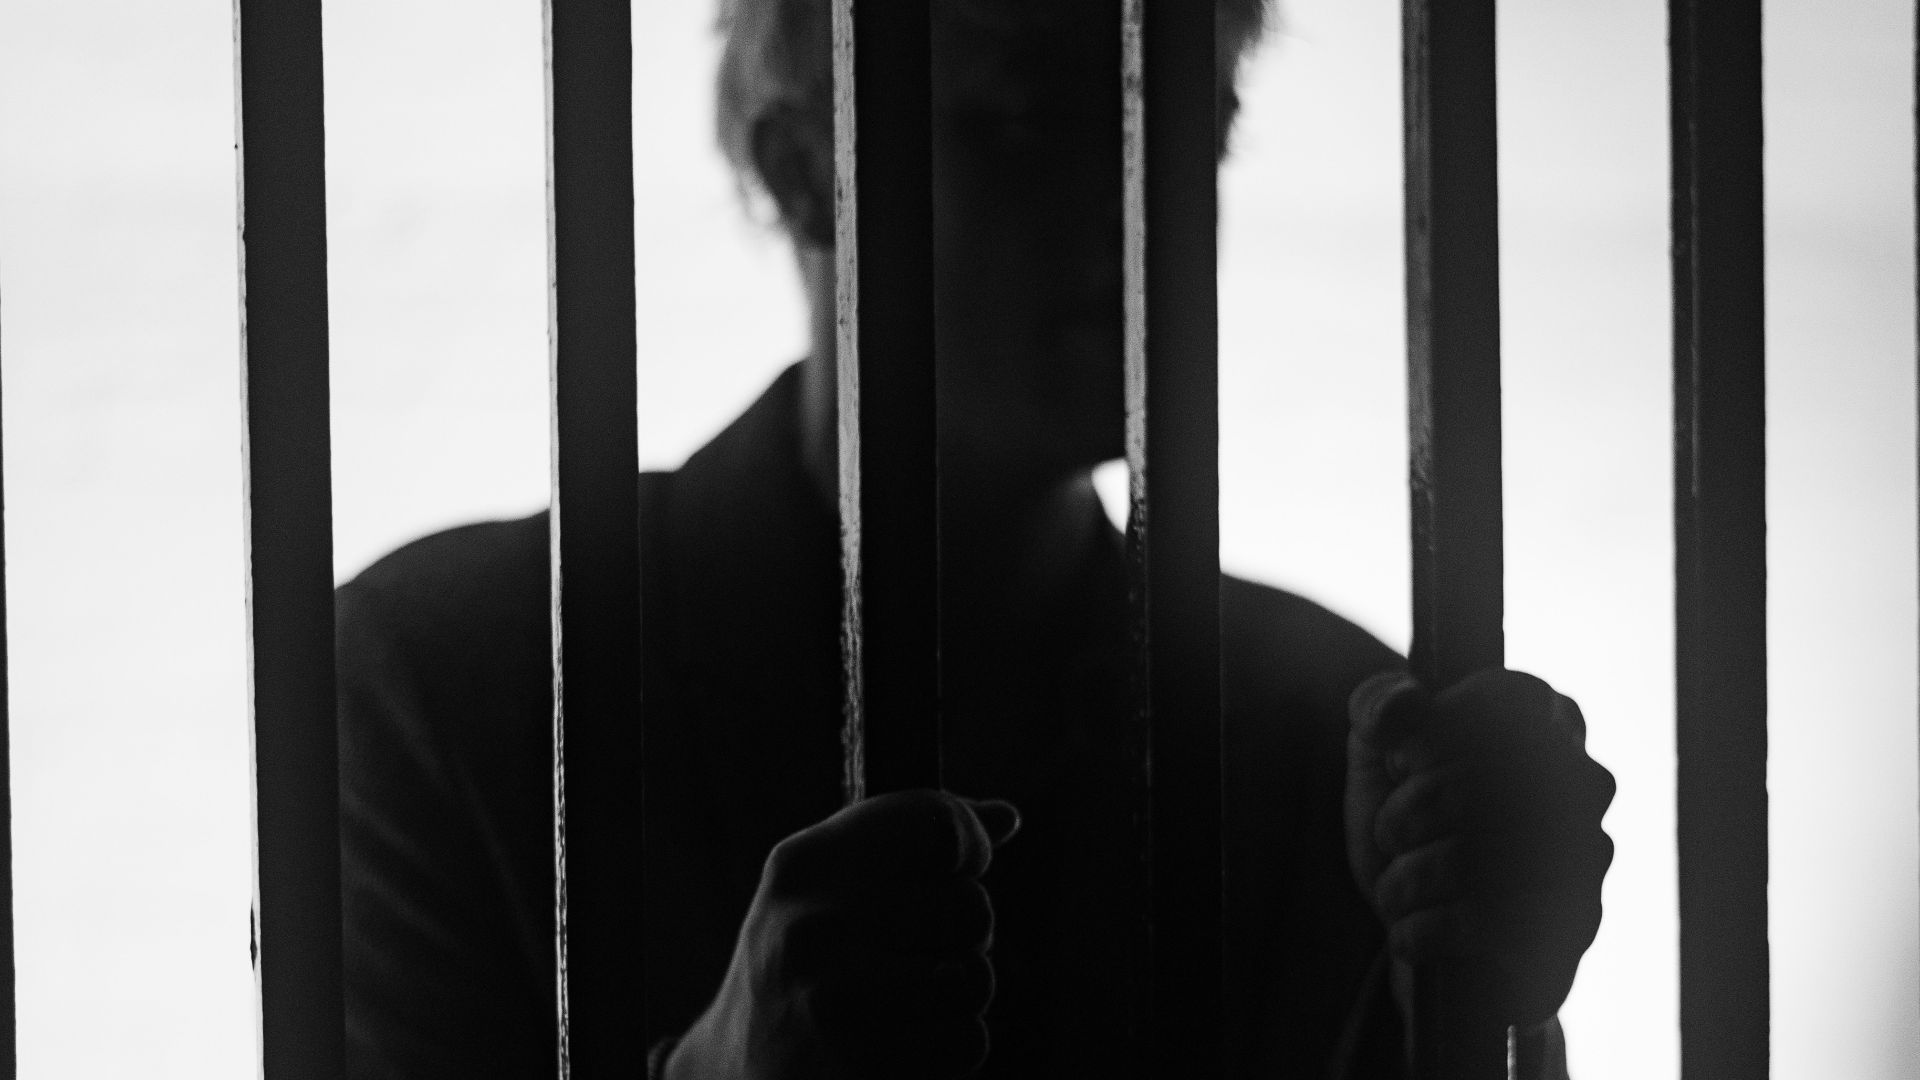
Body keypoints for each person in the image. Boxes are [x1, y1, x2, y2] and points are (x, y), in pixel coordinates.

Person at [336, 1, 1617, 1077]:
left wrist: (1489, 999)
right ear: (800, 169)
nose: (1143, 196)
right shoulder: (448, 684)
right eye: (1031, 121)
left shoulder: (1325, 727)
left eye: (1191, 126)